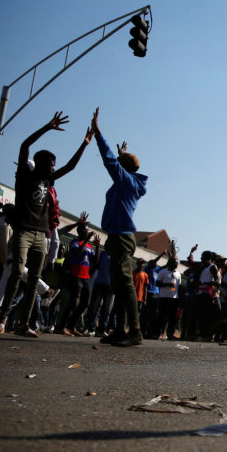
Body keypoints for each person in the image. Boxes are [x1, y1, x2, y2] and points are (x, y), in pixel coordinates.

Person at [0, 112, 93, 336]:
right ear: (39, 164)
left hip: (42, 235)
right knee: (18, 271)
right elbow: (25, 145)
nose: (53, 168)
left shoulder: (48, 181)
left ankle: (24, 324)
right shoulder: (24, 176)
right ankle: (3, 317)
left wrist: (84, 143)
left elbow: (70, 167)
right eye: (50, 165)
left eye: (53, 166)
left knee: (33, 282)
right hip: (23, 231)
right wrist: (47, 127)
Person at [90, 108, 148, 347]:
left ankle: (135, 331)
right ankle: (120, 330)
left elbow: (110, 163)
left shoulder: (126, 182)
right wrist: (122, 154)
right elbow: (119, 165)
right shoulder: (128, 182)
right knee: (119, 286)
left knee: (125, 284)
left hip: (122, 237)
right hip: (116, 237)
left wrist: (98, 135)